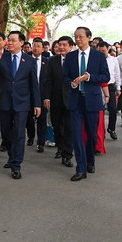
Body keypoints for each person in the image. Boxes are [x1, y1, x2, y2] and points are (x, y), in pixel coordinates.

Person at [0, 31, 41, 179]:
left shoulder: (29, 60)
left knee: (19, 134)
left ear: (21, 43)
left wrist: (37, 104)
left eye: (13, 40)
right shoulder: (2, 57)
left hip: (22, 102)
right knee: (6, 133)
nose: (10, 43)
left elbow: (34, 84)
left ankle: (16, 165)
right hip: (4, 101)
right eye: (9, 40)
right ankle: (12, 156)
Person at [63, 27, 109, 181]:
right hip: (76, 100)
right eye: (75, 37)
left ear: (89, 37)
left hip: (92, 100)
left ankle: (90, 161)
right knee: (76, 135)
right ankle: (81, 168)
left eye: (81, 36)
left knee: (91, 134)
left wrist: (90, 78)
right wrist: (73, 83)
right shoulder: (70, 57)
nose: (78, 39)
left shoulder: (98, 56)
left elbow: (105, 76)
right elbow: (65, 77)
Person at [44, 36, 74, 168]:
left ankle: (67, 155)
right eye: (59, 45)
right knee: (57, 127)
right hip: (55, 100)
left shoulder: (75, 60)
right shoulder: (52, 61)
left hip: (71, 100)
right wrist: (46, 97)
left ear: (71, 46)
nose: (61, 47)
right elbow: (48, 80)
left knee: (69, 128)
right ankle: (60, 148)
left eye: (64, 45)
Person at [26, 38, 49, 152]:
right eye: (34, 46)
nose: (35, 48)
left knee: (42, 119)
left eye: (38, 46)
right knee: (29, 119)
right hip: (28, 95)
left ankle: (41, 142)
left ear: (43, 48)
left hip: (42, 95)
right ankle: (30, 137)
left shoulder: (47, 61)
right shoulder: (26, 60)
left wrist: (47, 96)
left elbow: (49, 81)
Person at [98, 41, 121, 140]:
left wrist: (118, 88)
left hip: (110, 86)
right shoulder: (95, 59)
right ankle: (99, 131)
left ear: (108, 49)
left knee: (112, 109)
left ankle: (111, 128)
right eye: (100, 51)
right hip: (98, 87)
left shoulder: (114, 60)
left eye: (104, 50)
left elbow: (117, 74)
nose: (102, 53)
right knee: (99, 111)